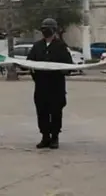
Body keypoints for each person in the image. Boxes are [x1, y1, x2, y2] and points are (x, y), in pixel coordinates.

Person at [26, 17, 73, 149]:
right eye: (44, 29)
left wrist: (60, 72)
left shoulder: (61, 46)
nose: (45, 31)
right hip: (41, 87)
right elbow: (29, 62)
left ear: (54, 30)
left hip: (56, 87)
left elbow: (68, 66)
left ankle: (55, 137)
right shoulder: (37, 46)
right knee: (42, 112)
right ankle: (45, 136)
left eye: (48, 29)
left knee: (56, 112)